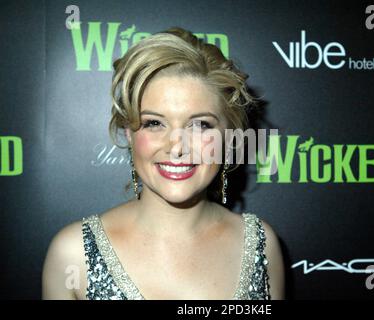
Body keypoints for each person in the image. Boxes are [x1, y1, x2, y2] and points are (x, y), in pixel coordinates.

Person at [42, 27, 285, 300]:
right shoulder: (73, 253)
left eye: (200, 124)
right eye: (154, 123)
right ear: (129, 133)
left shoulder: (261, 246)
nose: (177, 146)